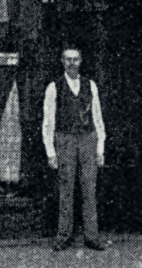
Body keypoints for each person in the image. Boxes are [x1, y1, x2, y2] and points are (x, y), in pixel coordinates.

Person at [42, 47, 106, 251]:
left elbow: (97, 117)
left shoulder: (90, 85)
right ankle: (63, 235)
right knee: (66, 189)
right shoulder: (54, 87)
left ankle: (92, 236)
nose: (72, 63)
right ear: (62, 61)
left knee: (89, 189)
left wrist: (100, 148)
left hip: (88, 139)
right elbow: (48, 121)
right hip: (65, 139)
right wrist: (50, 151)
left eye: (75, 59)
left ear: (81, 61)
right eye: (68, 59)